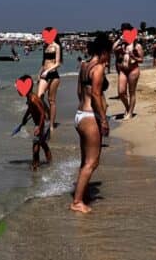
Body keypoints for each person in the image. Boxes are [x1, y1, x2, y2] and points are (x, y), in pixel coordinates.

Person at [72, 33, 112, 214]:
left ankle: (83, 193)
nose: (109, 57)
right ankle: (77, 202)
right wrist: (103, 119)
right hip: (90, 117)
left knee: (85, 161)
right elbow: (96, 95)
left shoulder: (84, 66)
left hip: (80, 115)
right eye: (109, 53)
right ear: (104, 51)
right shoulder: (98, 69)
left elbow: (79, 92)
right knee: (92, 162)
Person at [14, 75, 51, 170]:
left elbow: (42, 113)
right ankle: (49, 163)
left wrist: (39, 127)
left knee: (36, 145)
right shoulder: (29, 97)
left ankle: (35, 165)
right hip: (40, 122)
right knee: (42, 144)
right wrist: (24, 118)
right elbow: (30, 109)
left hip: (43, 122)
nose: (17, 91)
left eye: (18, 89)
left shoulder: (33, 99)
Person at [112, 23, 144, 120]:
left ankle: (130, 113)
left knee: (131, 92)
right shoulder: (121, 45)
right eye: (122, 31)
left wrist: (134, 56)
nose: (124, 33)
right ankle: (127, 108)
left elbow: (141, 60)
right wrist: (120, 40)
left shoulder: (136, 45)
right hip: (123, 70)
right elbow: (112, 49)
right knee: (121, 92)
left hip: (133, 70)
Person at [37, 30, 63, 130]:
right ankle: (46, 113)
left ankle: (51, 124)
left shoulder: (56, 46)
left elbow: (58, 63)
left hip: (53, 75)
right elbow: (44, 63)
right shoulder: (45, 46)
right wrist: (39, 74)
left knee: (51, 100)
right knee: (39, 97)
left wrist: (48, 71)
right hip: (44, 74)